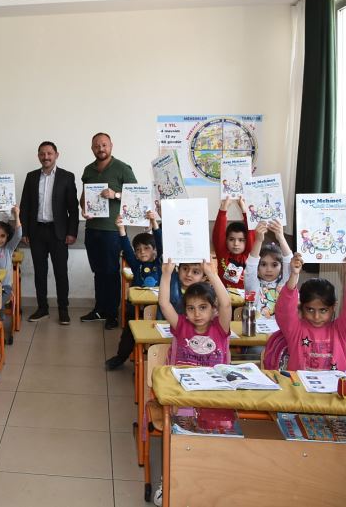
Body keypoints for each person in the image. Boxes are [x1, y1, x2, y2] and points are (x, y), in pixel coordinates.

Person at [80, 133, 136, 329]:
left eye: (104, 144)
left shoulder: (122, 168)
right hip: (92, 228)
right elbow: (83, 197)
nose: (100, 148)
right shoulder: (88, 170)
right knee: (98, 272)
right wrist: (84, 209)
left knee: (111, 272)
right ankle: (99, 309)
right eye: (96, 145)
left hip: (113, 230)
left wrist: (116, 194)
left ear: (111, 145)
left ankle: (112, 313)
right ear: (92, 148)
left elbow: (136, 196)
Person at [273, 252, 346, 371]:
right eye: (310, 309)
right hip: (300, 388)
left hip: (334, 388)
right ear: (301, 306)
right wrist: (294, 274)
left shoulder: (341, 331)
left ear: (333, 307)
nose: (316, 317)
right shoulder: (295, 330)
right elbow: (284, 311)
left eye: (323, 310)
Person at [20, 141, 79, 325]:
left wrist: (72, 232)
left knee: (61, 272)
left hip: (59, 232)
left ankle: (63, 310)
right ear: (38, 156)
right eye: (42, 154)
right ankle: (42, 308)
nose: (46, 157)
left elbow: (73, 208)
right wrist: (25, 231)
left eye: (49, 153)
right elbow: (25, 206)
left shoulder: (67, 177)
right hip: (37, 231)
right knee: (40, 272)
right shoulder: (31, 177)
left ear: (56, 155)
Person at [105, 211, 163, 370]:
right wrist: (121, 228)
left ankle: (150, 364)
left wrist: (154, 222)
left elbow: (161, 242)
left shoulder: (159, 264)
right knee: (128, 336)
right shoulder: (137, 265)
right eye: (138, 250)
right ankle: (120, 357)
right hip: (136, 309)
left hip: (158, 310)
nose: (142, 252)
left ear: (154, 250)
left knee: (157, 337)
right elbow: (126, 248)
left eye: (146, 248)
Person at [158, 259, 232, 367]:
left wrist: (212, 274)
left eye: (203, 307)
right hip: (181, 381)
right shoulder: (181, 325)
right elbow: (164, 304)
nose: (197, 314)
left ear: (214, 309)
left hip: (213, 382)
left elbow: (226, 305)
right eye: (191, 308)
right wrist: (166, 275)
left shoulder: (220, 328)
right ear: (185, 310)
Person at [244, 220, 292, 318]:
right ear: (257, 268)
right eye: (263, 264)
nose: (269, 269)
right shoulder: (254, 285)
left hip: (280, 331)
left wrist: (281, 238)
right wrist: (258, 240)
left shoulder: (284, 284)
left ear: (282, 268)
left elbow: (289, 263)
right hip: (257, 331)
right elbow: (251, 265)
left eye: (274, 265)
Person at [212, 197, 256, 289]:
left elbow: (251, 234)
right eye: (231, 239)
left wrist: (244, 210)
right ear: (226, 240)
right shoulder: (223, 255)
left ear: (247, 241)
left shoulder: (249, 257)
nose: (236, 244)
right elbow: (218, 235)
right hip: (226, 300)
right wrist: (223, 209)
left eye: (241, 240)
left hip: (246, 301)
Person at [0, 205, 23, 306]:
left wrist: (17, 215)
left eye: (2, 236)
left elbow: (19, 235)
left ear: (7, 236)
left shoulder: (8, 248)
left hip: (5, 288)